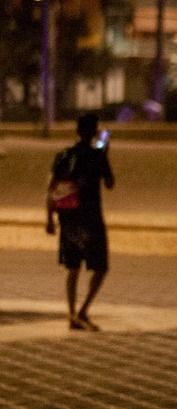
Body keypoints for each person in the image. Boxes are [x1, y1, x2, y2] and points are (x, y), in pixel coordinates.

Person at [45, 112, 115, 331]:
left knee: (72, 267)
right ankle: (83, 311)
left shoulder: (63, 155)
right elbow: (110, 183)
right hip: (92, 217)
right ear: (95, 132)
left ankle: (72, 312)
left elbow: (51, 187)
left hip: (69, 217)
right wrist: (105, 154)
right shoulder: (98, 155)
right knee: (100, 267)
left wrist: (49, 217)